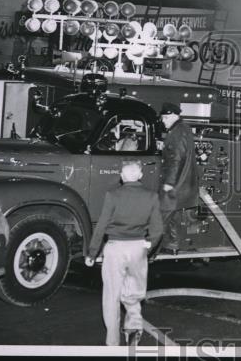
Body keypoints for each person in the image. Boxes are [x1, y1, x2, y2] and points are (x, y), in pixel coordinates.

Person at [85, 160, 163, 346]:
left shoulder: (113, 195)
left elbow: (101, 226)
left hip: (114, 248)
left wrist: (92, 253)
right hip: (138, 248)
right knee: (134, 293)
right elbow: (158, 229)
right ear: (141, 176)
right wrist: (148, 246)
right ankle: (133, 331)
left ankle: (112, 342)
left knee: (111, 295)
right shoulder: (151, 196)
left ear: (121, 176)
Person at [158, 102, 199, 250]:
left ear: (174, 116)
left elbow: (176, 159)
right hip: (183, 183)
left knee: (162, 214)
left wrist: (169, 182)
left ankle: (154, 248)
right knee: (172, 215)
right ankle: (172, 244)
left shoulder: (177, 132)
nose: (163, 120)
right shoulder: (183, 129)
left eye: (165, 117)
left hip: (177, 184)